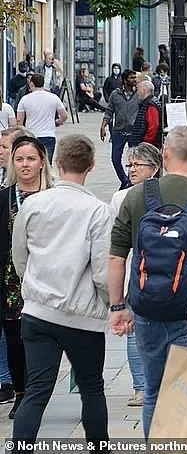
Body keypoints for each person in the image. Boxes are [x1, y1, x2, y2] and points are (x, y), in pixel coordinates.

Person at [108, 126, 187, 436]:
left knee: (153, 390)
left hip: (146, 306)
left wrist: (118, 305)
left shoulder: (137, 195)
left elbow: (116, 257)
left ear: (164, 155)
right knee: (186, 393)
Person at [11, 135, 113, 449]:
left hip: (39, 311)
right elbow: (101, 271)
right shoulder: (98, 211)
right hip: (81, 315)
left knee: (37, 391)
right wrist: (112, 303)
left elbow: (19, 254)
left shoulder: (34, 204)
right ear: (92, 166)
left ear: (55, 162)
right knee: (92, 390)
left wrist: (32, 285)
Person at [0, 136, 54, 420]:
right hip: (11, 281)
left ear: (42, 161)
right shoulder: (5, 196)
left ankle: (38, 391)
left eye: (31, 158)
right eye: (19, 159)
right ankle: (21, 392)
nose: (25, 164)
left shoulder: (53, 195)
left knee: (43, 337)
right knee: (14, 338)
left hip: (47, 278)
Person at [110, 143, 162, 408]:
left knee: (136, 331)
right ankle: (142, 386)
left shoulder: (123, 199)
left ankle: (143, 387)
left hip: (137, 272)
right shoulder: (122, 197)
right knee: (136, 333)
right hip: (153, 273)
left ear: (154, 168)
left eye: (137, 165)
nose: (131, 170)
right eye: (129, 165)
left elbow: (113, 245)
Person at [101, 69, 140, 189]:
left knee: (135, 160)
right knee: (115, 159)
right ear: (125, 80)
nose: (134, 80)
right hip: (118, 131)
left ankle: (130, 182)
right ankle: (125, 180)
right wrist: (103, 126)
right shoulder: (115, 94)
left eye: (135, 77)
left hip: (134, 132)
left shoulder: (139, 94)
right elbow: (109, 111)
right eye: (131, 78)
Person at [15, 75, 67, 161]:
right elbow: (64, 116)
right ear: (43, 84)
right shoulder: (54, 98)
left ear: (31, 84)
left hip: (31, 136)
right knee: (47, 164)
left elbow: (19, 121)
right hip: (48, 135)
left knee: (32, 162)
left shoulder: (24, 99)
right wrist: (57, 122)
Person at [130, 80, 162, 148]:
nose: (137, 92)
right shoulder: (148, 103)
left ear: (144, 90)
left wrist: (146, 142)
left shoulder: (151, 105)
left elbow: (153, 126)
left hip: (146, 145)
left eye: (138, 90)